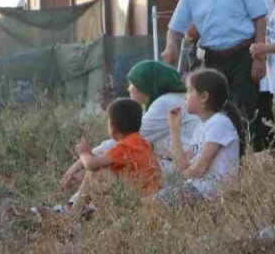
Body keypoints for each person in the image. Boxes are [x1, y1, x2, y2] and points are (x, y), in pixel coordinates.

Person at [162, 0, 268, 148]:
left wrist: (260, 57)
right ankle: (218, 162)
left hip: (243, 54)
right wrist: (170, 45)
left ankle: (243, 164)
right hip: (212, 60)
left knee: (243, 111)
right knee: (214, 112)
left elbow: (260, 19)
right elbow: (175, 27)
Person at [60, 61, 199, 196]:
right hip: (176, 165)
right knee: (104, 170)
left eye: (132, 83)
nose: (129, 88)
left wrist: (76, 165)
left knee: (106, 170)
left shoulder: (166, 103)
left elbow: (122, 141)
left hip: (181, 169)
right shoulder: (168, 100)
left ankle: (75, 207)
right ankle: (82, 206)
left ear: (145, 84)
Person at [69, 97, 163, 214]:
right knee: (100, 171)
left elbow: (91, 165)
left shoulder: (126, 147)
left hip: (137, 203)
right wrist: (91, 155)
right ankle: (79, 210)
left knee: (95, 173)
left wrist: (83, 153)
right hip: (149, 199)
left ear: (112, 128)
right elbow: (102, 162)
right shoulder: (141, 142)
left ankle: (73, 213)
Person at [165, 68, 244, 202]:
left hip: (209, 194)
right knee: (148, 203)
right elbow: (182, 165)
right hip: (196, 189)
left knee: (150, 205)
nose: (185, 96)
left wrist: (178, 178)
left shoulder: (219, 124)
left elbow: (199, 169)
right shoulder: (202, 126)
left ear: (204, 97)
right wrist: (174, 129)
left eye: (189, 90)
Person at [236, 0, 275, 152]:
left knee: (257, 110)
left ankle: (264, 149)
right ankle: (269, 148)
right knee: (265, 108)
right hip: (268, 59)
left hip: (258, 58)